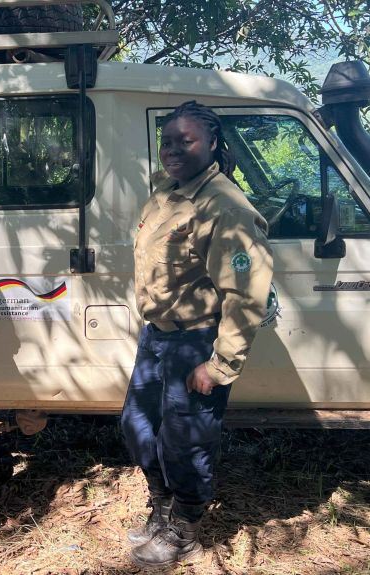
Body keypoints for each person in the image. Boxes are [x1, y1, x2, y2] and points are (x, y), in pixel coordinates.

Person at [121, 101, 273, 566]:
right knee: (136, 426)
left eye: (184, 141)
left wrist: (219, 364)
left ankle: (185, 529)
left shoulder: (224, 206)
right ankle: (162, 507)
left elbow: (246, 295)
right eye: (167, 141)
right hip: (158, 337)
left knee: (187, 440)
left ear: (210, 143)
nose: (172, 150)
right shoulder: (167, 193)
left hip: (195, 341)